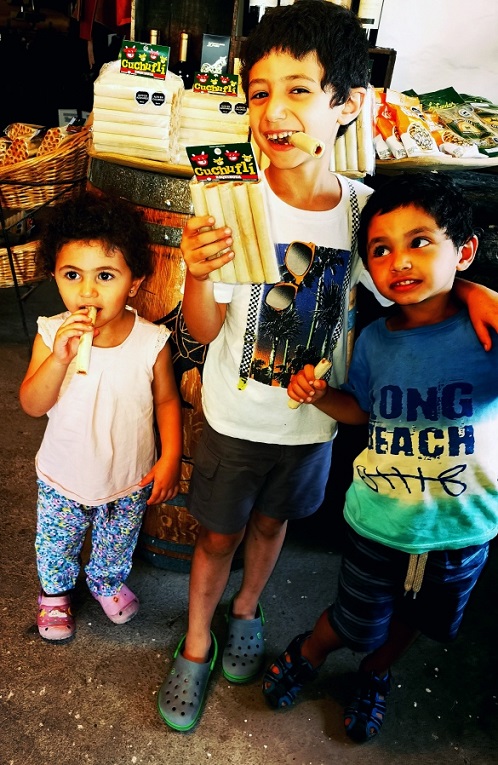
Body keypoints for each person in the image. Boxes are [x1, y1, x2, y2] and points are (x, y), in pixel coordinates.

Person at [157, 0, 498, 732]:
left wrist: (473, 289)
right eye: (259, 93)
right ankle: (196, 639)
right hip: (234, 416)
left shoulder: (362, 213)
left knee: (272, 526)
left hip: (312, 425)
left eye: (299, 90)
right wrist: (196, 272)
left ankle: (247, 611)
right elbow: (203, 328)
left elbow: (413, 283)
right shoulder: (231, 201)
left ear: (346, 104)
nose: (274, 111)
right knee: (215, 535)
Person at [263, 172, 498, 743]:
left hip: (461, 530)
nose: (401, 261)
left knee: (418, 619)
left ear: (464, 251)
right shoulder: (373, 340)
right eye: (381, 250)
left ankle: (375, 673)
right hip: (379, 522)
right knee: (354, 618)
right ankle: (309, 652)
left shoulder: (486, 333)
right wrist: (322, 397)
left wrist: (481, 293)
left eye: (420, 242)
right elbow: (361, 412)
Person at [20, 192, 182, 643]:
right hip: (63, 475)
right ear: (55, 275)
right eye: (72, 275)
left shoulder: (151, 341)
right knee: (57, 542)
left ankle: (106, 581)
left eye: (105, 276)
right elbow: (32, 404)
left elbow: (167, 402)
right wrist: (59, 359)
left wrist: (170, 456)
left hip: (127, 475)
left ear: (134, 283)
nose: (87, 292)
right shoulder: (51, 334)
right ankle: (55, 594)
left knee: (117, 539)